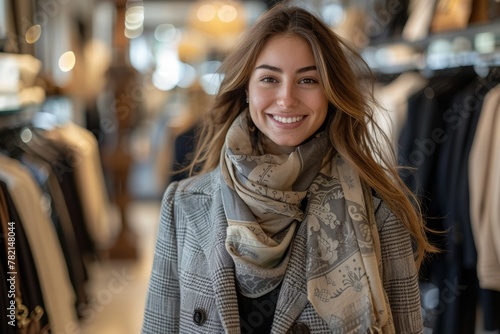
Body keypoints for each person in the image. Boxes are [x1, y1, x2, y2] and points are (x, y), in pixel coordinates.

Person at [142, 3, 437, 333]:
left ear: (331, 91)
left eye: (308, 80)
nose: (286, 98)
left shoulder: (381, 211)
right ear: (246, 88)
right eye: (269, 78)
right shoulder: (182, 204)